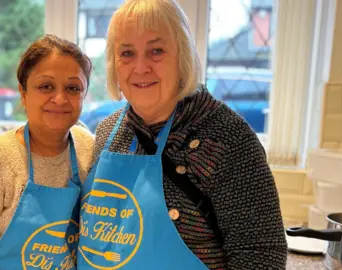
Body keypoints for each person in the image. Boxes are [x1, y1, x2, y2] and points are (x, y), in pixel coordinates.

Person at [76, 0, 288, 269]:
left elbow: (261, 256)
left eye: (156, 50)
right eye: (127, 53)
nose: (140, 67)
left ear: (183, 55)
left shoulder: (228, 138)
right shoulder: (108, 133)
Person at [0, 34, 95, 269]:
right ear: (23, 93)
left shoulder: (87, 147)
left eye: (73, 88)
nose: (60, 98)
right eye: (46, 86)